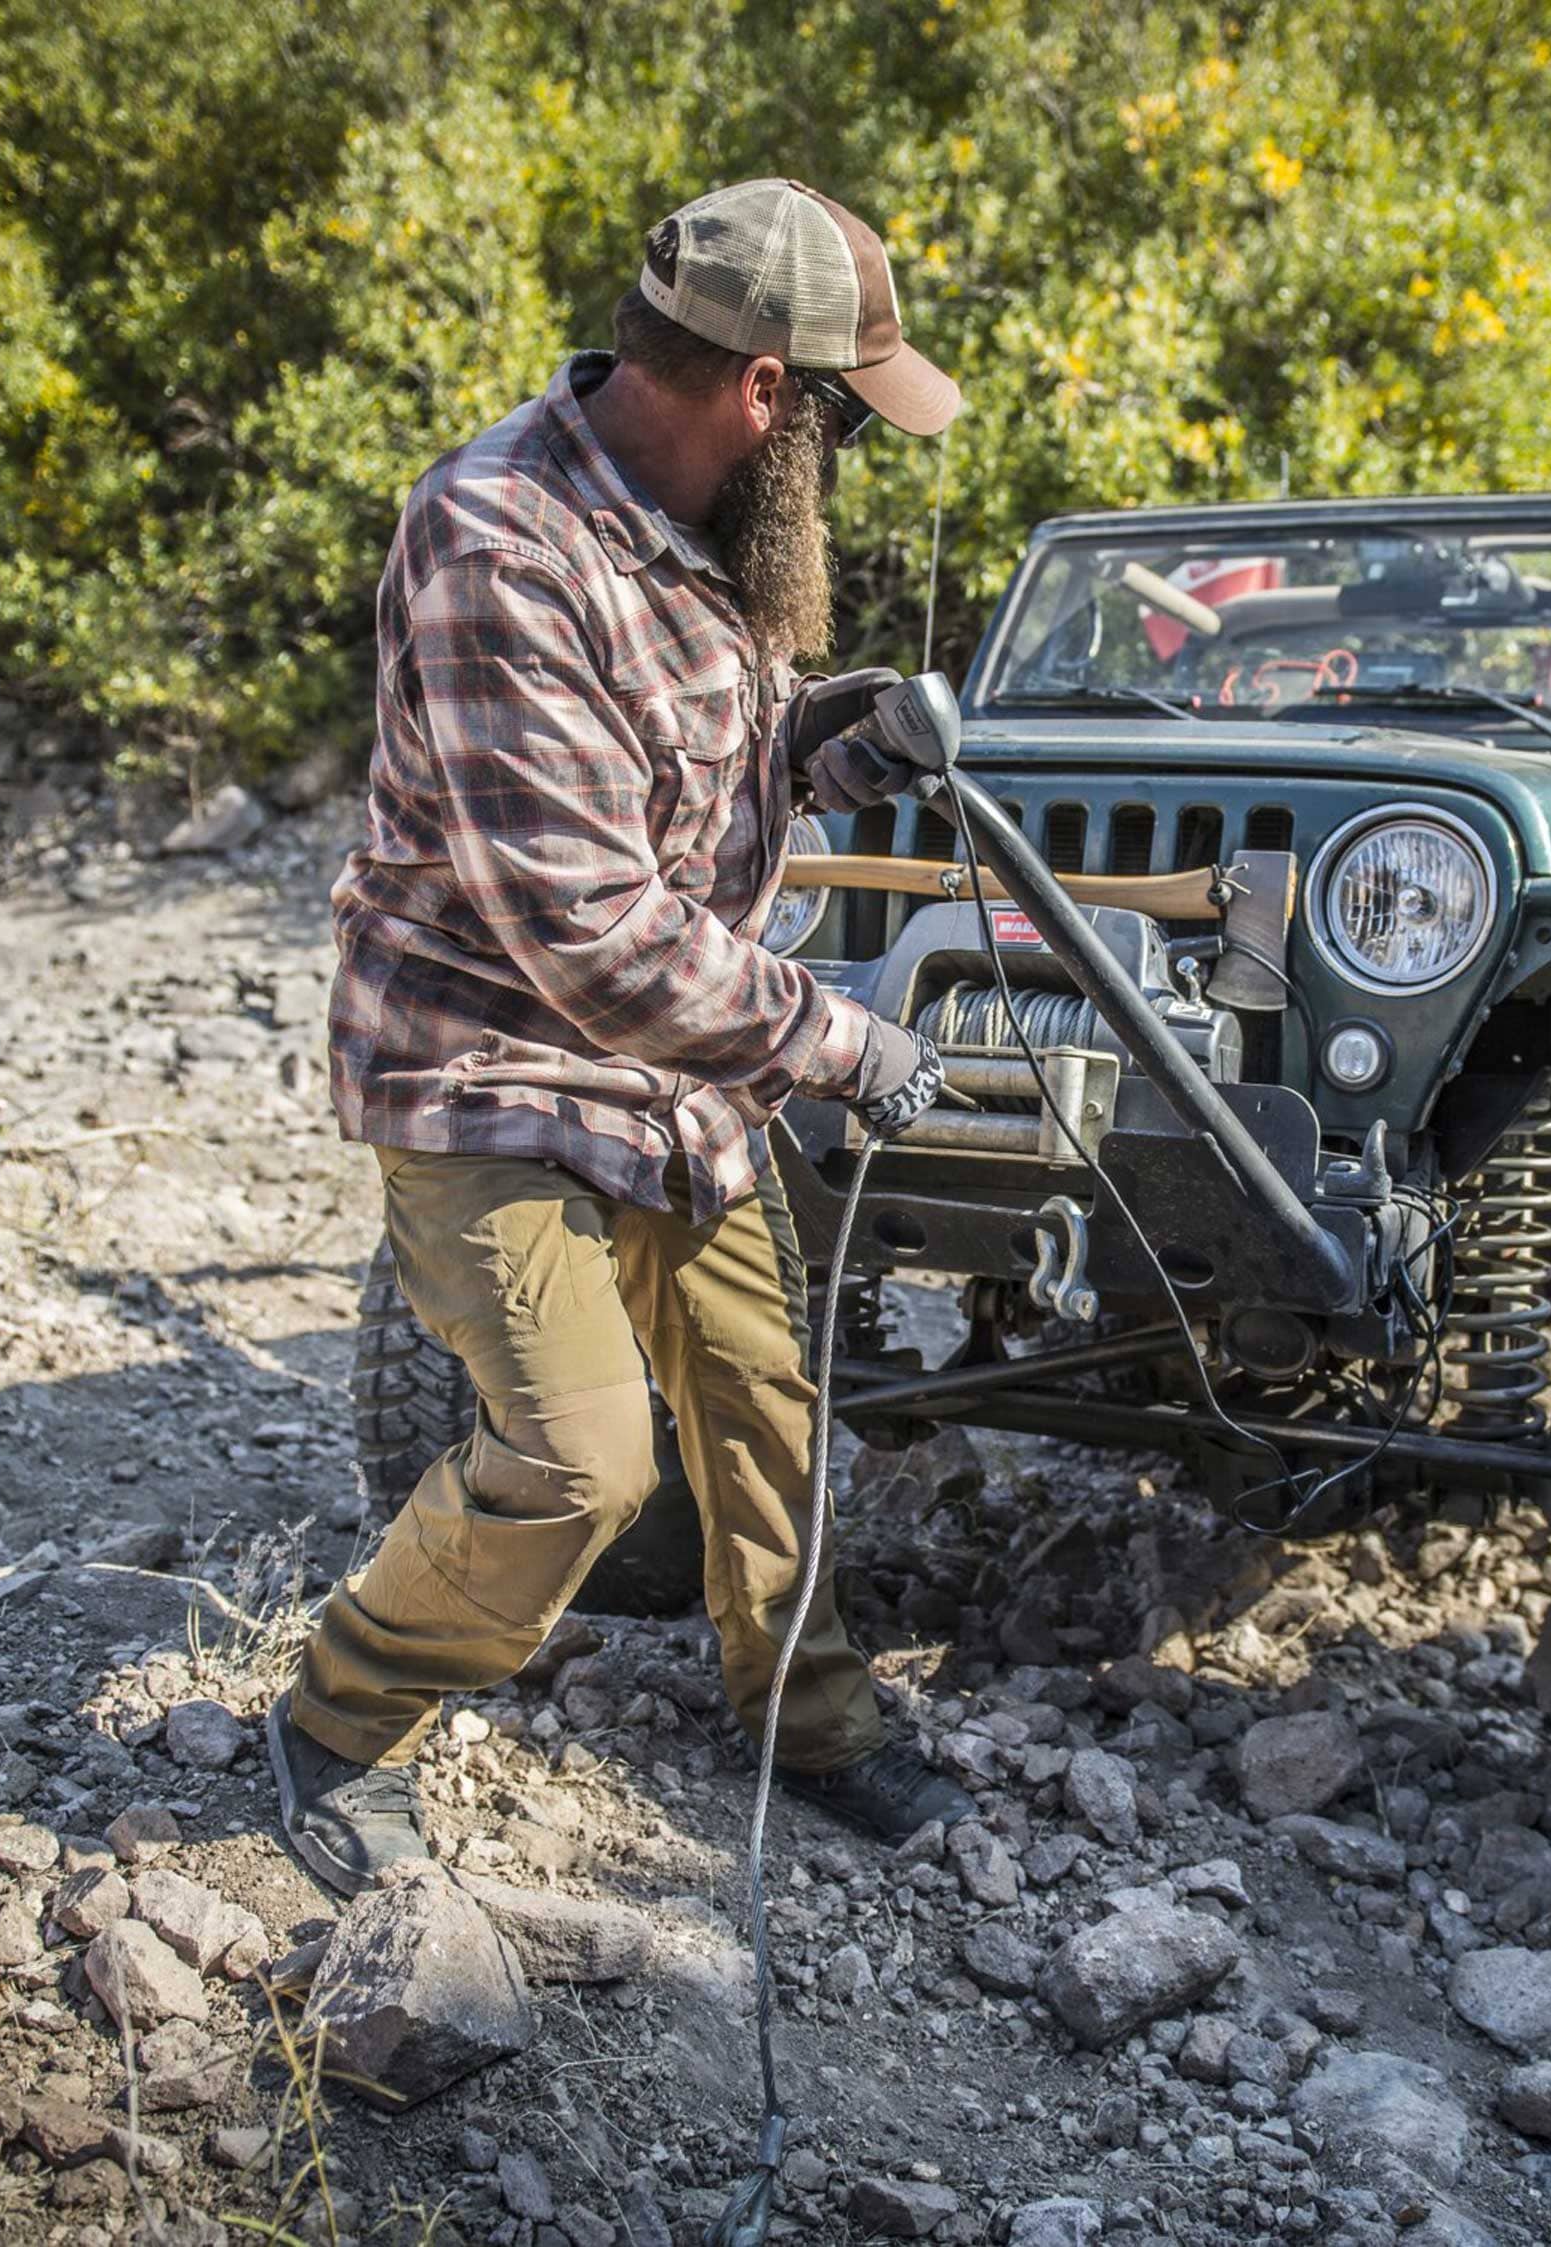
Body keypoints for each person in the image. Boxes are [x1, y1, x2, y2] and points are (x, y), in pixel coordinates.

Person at [267, 179, 976, 1896]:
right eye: (835, 419)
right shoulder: (497, 544)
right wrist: (835, 1038)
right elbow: (589, 931)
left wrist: (820, 738)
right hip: (492, 1066)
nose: (835, 458)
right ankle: (339, 1721)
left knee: (759, 1396)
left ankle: (808, 1717)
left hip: (669, 1068)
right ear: (760, 390)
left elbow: (664, 780)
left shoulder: (695, 515)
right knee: (580, 1457)